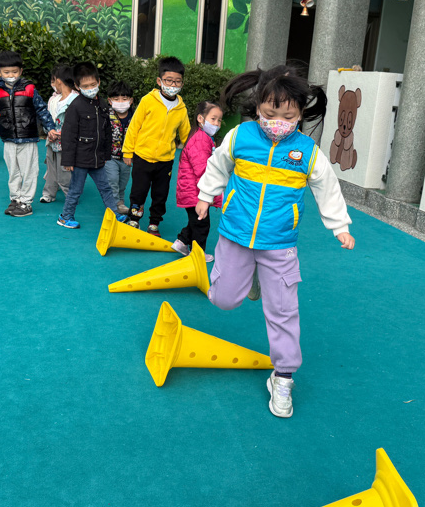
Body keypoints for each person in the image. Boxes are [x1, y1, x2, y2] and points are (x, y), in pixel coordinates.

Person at [196, 65, 355, 419]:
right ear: (258, 108)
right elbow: (218, 165)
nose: (278, 122)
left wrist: (339, 226)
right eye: (270, 114)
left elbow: (327, 188)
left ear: (300, 115)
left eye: (288, 116)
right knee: (222, 299)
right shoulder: (240, 136)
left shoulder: (306, 151)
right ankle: (250, 279)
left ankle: (283, 376)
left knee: (283, 311)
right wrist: (206, 195)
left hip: (280, 244)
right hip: (236, 234)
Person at [0, 50, 57, 217]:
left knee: (29, 171)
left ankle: (26, 202)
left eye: (14, 72)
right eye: (7, 72)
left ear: (21, 71)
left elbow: (41, 109)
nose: (11, 75)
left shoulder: (29, 88)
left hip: (28, 137)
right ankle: (15, 198)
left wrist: (50, 127)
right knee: (13, 171)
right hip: (8, 138)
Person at [123, 56, 191, 236]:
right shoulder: (148, 100)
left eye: (177, 81)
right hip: (142, 157)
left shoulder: (181, 109)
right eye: (169, 80)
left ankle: (154, 223)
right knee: (138, 192)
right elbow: (134, 127)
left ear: (182, 83)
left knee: (160, 194)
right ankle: (134, 219)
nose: (173, 85)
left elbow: (186, 135)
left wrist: (194, 153)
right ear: (159, 81)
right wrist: (127, 151)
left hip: (165, 161)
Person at [56, 61, 122, 229]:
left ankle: (114, 214)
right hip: (80, 159)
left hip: (97, 158)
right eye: (85, 86)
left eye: (93, 84)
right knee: (76, 190)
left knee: (105, 188)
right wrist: (68, 160)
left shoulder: (102, 105)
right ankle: (65, 217)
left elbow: (107, 131)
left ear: (98, 82)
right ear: (77, 87)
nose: (90, 88)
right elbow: (68, 135)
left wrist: (106, 154)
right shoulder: (75, 107)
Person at [173, 100, 224, 262]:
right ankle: (197, 254)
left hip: (192, 189)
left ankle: (182, 241)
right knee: (202, 223)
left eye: (219, 120)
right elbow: (202, 169)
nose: (216, 123)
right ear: (200, 118)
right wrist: (210, 191)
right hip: (195, 191)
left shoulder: (202, 137)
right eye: (213, 119)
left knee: (196, 220)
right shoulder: (201, 139)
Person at [39, 63, 75, 204]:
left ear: (58, 81)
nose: (52, 84)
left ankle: (70, 195)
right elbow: (48, 118)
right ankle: (48, 193)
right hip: (51, 141)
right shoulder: (53, 100)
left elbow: (76, 123)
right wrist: (49, 131)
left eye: (53, 80)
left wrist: (62, 133)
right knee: (51, 168)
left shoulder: (75, 100)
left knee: (65, 170)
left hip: (66, 144)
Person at [104, 82, 134, 214]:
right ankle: (115, 205)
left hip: (127, 157)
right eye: (116, 99)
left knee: (122, 182)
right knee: (112, 180)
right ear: (110, 101)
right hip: (110, 156)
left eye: (124, 99)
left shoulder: (135, 116)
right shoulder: (106, 115)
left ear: (131, 100)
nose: (120, 102)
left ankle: (120, 201)